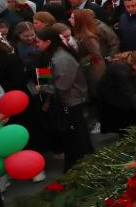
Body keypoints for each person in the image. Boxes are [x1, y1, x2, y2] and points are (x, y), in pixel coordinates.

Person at [34, 25, 93, 171]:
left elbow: (62, 86)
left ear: (48, 42)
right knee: (73, 137)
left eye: (38, 41)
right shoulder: (52, 54)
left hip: (71, 102)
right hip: (65, 101)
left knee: (76, 137)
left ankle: (83, 167)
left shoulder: (61, 59)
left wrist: (41, 88)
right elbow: (51, 78)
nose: (36, 44)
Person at [96, 51, 136, 135]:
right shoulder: (121, 71)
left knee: (132, 114)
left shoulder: (132, 61)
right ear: (132, 63)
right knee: (124, 122)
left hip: (119, 93)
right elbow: (130, 94)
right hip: (111, 97)